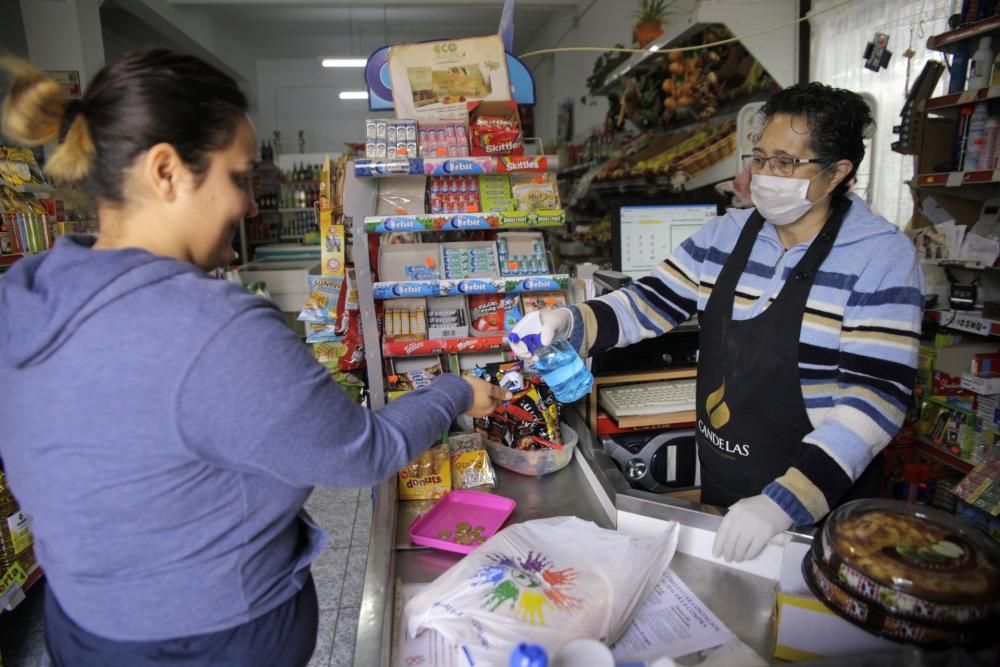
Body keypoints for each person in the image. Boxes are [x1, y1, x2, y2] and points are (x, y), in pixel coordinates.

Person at [0, 49, 508, 666]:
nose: (246, 206)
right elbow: (363, 453)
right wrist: (454, 391)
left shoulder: (27, 295)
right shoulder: (213, 329)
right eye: (237, 177)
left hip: (82, 627)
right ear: (166, 171)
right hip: (206, 642)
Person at [511, 82, 923, 563]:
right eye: (761, 157)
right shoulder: (727, 235)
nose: (767, 175)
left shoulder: (880, 256)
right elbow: (651, 301)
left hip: (821, 494)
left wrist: (782, 503)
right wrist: (570, 321)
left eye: (787, 163)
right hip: (726, 474)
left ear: (836, 174)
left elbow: (876, 398)